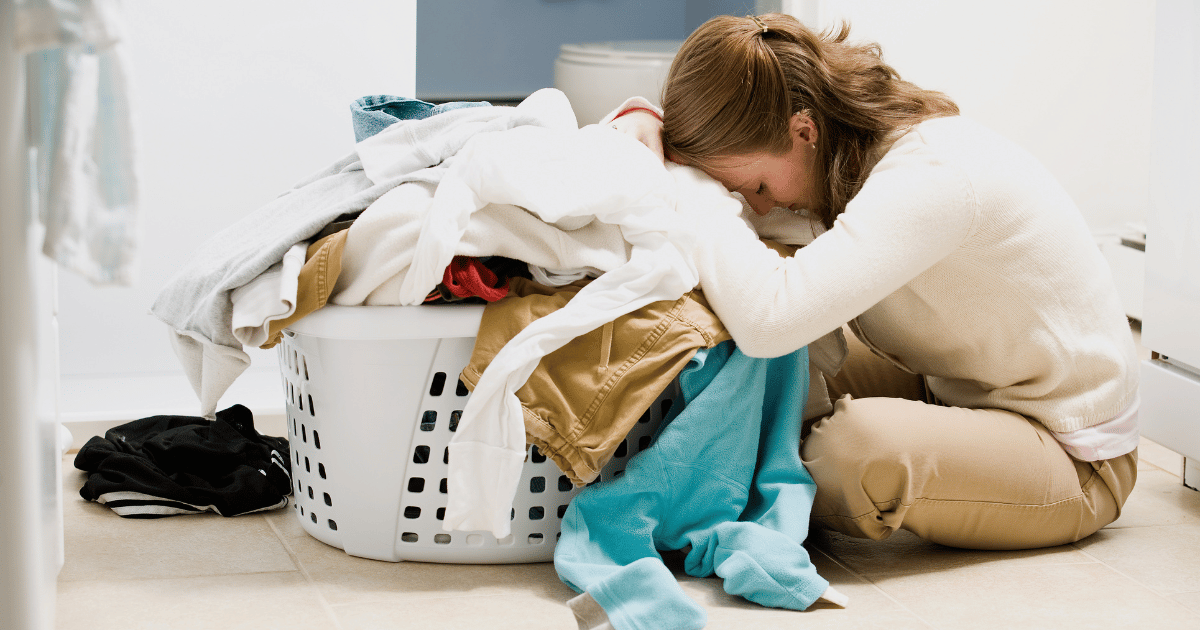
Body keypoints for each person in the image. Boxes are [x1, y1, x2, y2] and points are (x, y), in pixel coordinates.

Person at [606, 13, 1139, 550]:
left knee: (848, 452)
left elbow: (770, 318)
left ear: (804, 130)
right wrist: (644, 120)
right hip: (954, 387)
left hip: (1071, 449)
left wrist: (693, 189)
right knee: (747, 380)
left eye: (758, 185)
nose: (759, 206)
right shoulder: (831, 160)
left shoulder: (931, 176)